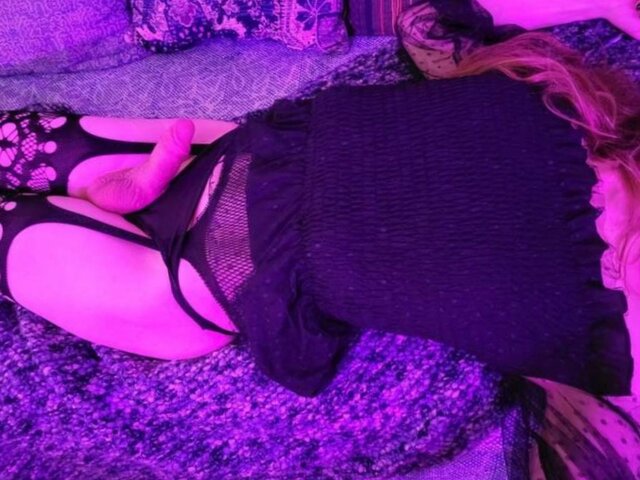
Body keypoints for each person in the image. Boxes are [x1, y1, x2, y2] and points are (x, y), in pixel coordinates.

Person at [1, 0, 640, 478]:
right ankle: (109, 198)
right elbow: (429, 19)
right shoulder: (581, 105)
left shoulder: (617, 333)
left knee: (15, 222)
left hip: (199, 282)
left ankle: (103, 205)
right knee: (15, 139)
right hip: (224, 153)